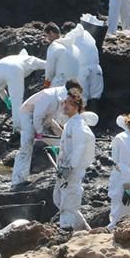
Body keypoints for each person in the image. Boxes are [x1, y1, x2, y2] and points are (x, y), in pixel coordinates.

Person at [11, 80, 82, 190]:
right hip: (28, 115)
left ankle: (22, 178)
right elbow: (37, 116)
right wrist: (39, 132)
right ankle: (18, 181)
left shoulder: (59, 98)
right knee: (26, 147)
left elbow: (51, 119)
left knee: (60, 137)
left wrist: (63, 133)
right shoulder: (49, 96)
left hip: (41, 116)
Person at [52, 91, 98, 231]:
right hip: (65, 169)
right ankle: (83, 229)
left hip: (72, 171)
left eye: (70, 104)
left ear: (78, 107)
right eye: (65, 103)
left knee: (68, 199)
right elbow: (68, 147)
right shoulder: (70, 124)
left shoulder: (78, 126)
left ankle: (66, 229)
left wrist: (69, 167)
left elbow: (79, 148)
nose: (65, 106)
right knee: (60, 199)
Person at [0, 49, 46, 129]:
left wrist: (6, 99)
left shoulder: (13, 58)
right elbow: (46, 64)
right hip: (15, 69)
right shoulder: (31, 59)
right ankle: (17, 128)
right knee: (16, 101)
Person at [65, 24, 104, 102]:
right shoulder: (86, 33)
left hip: (82, 70)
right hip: (96, 68)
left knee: (82, 97)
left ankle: (84, 113)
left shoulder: (70, 36)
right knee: (95, 95)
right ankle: (95, 113)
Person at [44, 23, 81, 88]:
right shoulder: (73, 46)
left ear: (51, 33)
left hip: (60, 84)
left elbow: (50, 68)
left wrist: (46, 83)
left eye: (46, 36)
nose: (46, 39)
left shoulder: (54, 46)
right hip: (74, 84)